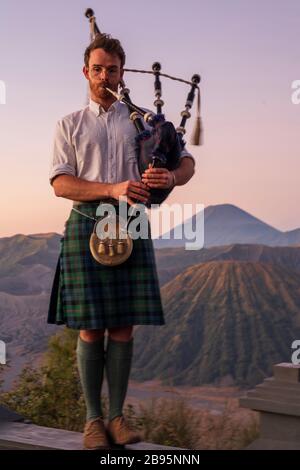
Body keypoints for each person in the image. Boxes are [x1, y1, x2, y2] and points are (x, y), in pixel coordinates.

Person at [47, 34, 195, 450]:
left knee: (124, 327)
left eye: (112, 69)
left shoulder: (147, 122)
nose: (105, 76)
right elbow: (61, 183)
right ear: (85, 72)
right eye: (98, 69)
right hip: (86, 223)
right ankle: (94, 421)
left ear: (122, 73)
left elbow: (186, 161)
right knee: (92, 328)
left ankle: (117, 418)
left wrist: (171, 177)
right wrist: (112, 188)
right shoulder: (69, 124)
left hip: (131, 225)